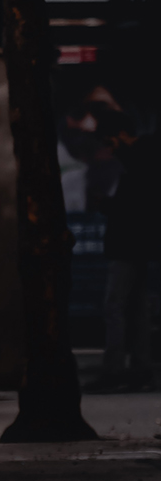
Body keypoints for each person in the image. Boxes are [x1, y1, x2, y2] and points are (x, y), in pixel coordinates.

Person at [94, 114, 158, 391]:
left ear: (119, 135)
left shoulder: (137, 161)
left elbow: (132, 207)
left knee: (116, 305)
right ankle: (140, 366)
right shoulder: (144, 157)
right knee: (136, 306)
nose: (108, 147)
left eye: (109, 140)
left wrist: (106, 205)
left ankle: (114, 369)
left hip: (128, 244)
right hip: (140, 244)